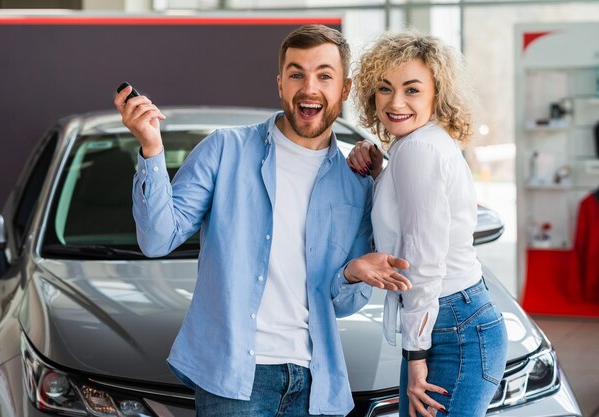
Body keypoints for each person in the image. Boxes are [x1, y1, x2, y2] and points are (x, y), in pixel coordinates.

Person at [114, 24, 412, 417]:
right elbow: (157, 239)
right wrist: (151, 149)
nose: (309, 87)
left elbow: (345, 304)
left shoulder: (355, 183)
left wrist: (353, 273)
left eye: (324, 75)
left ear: (344, 88)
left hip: (316, 383)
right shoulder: (224, 149)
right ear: (280, 84)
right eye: (296, 74)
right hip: (235, 381)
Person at [347, 32, 508, 417]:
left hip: (454, 329)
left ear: (437, 93)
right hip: (455, 318)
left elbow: (421, 260)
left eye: (412, 90)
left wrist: (416, 353)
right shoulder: (414, 144)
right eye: (385, 89)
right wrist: (378, 170)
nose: (395, 102)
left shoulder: (419, 148)